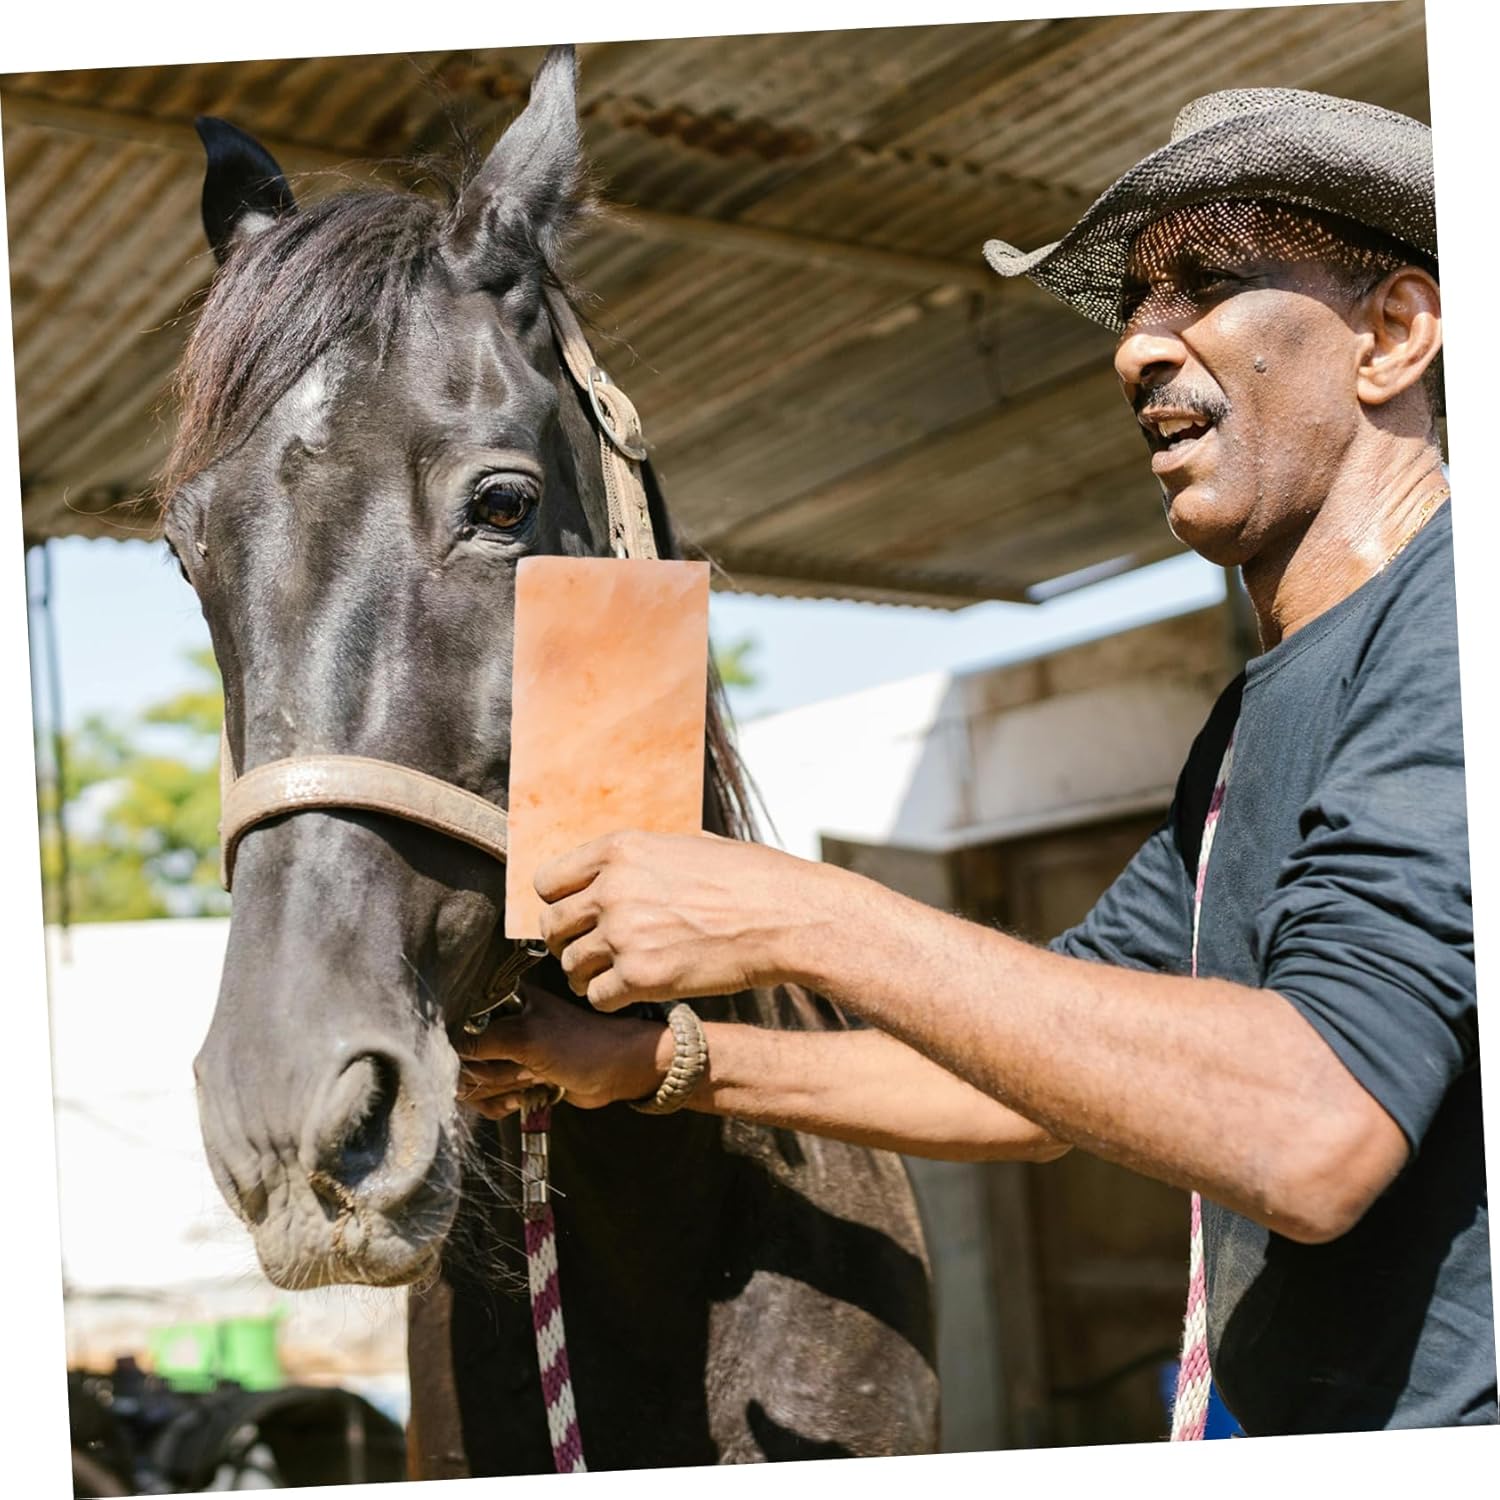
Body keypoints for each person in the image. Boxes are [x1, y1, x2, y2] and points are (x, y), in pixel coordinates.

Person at [458, 89, 1492, 1435]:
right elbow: (1027, 1082)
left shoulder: (1457, 624)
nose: (1136, 346)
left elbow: (1314, 1130)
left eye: (1203, 284)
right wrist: (642, 1061)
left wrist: (795, 916)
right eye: (1135, 301)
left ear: (1394, 334)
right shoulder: (1251, 728)